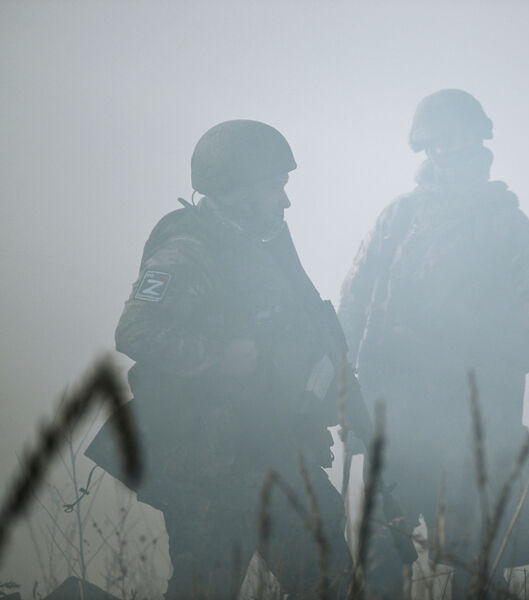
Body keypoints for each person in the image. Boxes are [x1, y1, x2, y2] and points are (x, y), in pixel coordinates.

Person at [87, 120, 371, 599]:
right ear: (235, 191)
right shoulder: (187, 251)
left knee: (331, 582)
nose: (285, 201)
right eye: (274, 187)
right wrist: (220, 358)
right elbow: (135, 330)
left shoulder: (263, 248)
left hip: (274, 453)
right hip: (210, 473)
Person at [339, 89, 529, 598]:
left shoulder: (505, 222)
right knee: (381, 557)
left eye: (458, 140)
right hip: (397, 417)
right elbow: (353, 305)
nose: (447, 151)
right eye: (437, 143)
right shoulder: (399, 219)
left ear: (478, 142)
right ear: (425, 149)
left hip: (474, 420)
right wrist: (346, 388)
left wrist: (519, 331)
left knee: (477, 562)